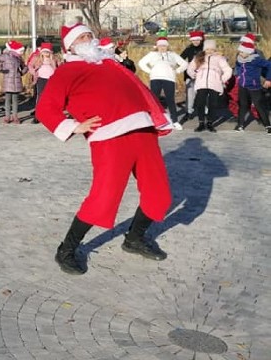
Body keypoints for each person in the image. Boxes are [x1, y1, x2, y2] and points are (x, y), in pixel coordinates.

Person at [36, 23, 173, 275]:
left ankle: (134, 239)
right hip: (109, 139)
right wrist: (75, 126)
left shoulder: (111, 64)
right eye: (82, 37)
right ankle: (66, 249)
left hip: (142, 132)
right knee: (104, 197)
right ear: (70, 46)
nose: (89, 39)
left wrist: (156, 118)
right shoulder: (67, 70)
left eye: (90, 35)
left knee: (159, 192)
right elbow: (45, 108)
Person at [137, 36, 188, 130]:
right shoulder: (152, 54)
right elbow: (141, 63)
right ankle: (154, 120)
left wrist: (177, 71)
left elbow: (184, 64)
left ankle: (175, 121)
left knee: (170, 100)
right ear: (157, 46)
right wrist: (150, 71)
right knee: (154, 100)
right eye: (160, 46)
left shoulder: (172, 54)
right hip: (155, 78)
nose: (162, 48)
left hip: (169, 79)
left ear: (167, 46)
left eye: (164, 46)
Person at [186, 39, 232, 133]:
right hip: (201, 83)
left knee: (213, 104)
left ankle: (210, 123)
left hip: (214, 83)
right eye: (207, 49)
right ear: (204, 49)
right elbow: (190, 68)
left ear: (214, 49)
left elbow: (228, 70)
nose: (209, 51)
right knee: (200, 103)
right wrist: (193, 75)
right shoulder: (198, 57)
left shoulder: (219, 58)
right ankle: (201, 123)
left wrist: (222, 79)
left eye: (211, 49)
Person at [232, 34, 271, 132]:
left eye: (242, 52)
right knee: (243, 105)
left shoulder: (256, 59)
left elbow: (269, 66)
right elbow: (238, 66)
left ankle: (268, 125)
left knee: (258, 105)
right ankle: (240, 125)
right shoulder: (240, 59)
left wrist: (268, 79)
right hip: (243, 85)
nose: (240, 53)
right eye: (239, 51)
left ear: (248, 52)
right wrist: (239, 75)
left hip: (254, 86)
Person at [0, 40, 26, 124]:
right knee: (7, 99)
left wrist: (22, 72)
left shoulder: (19, 58)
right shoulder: (6, 56)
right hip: (8, 80)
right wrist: (0, 69)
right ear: (15, 50)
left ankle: (15, 116)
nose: (22, 52)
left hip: (17, 81)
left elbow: (25, 67)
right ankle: (7, 117)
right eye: (21, 51)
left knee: (15, 100)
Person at [27, 42, 61, 124]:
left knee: (51, 98)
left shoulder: (54, 58)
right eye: (44, 52)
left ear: (50, 52)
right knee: (40, 97)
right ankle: (37, 116)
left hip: (51, 79)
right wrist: (34, 72)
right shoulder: (37, 58)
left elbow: (60, 67)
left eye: (48, 52)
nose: (46, 53)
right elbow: (30, 65)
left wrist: (56, 67)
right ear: (42, 52)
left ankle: (50, 115)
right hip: (41, 79)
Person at [180, 30, 206, 120]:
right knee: (190, 94)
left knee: (203, 93)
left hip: (203, 74)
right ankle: (189, 111)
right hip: (190, 74)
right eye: (194, 40)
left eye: (198, 40)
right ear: (191, 40)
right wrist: (186, 66)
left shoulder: (205, 49)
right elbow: (181, 59)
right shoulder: (188, 49)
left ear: (201, 40)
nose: (196, 42)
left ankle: (205, 111)